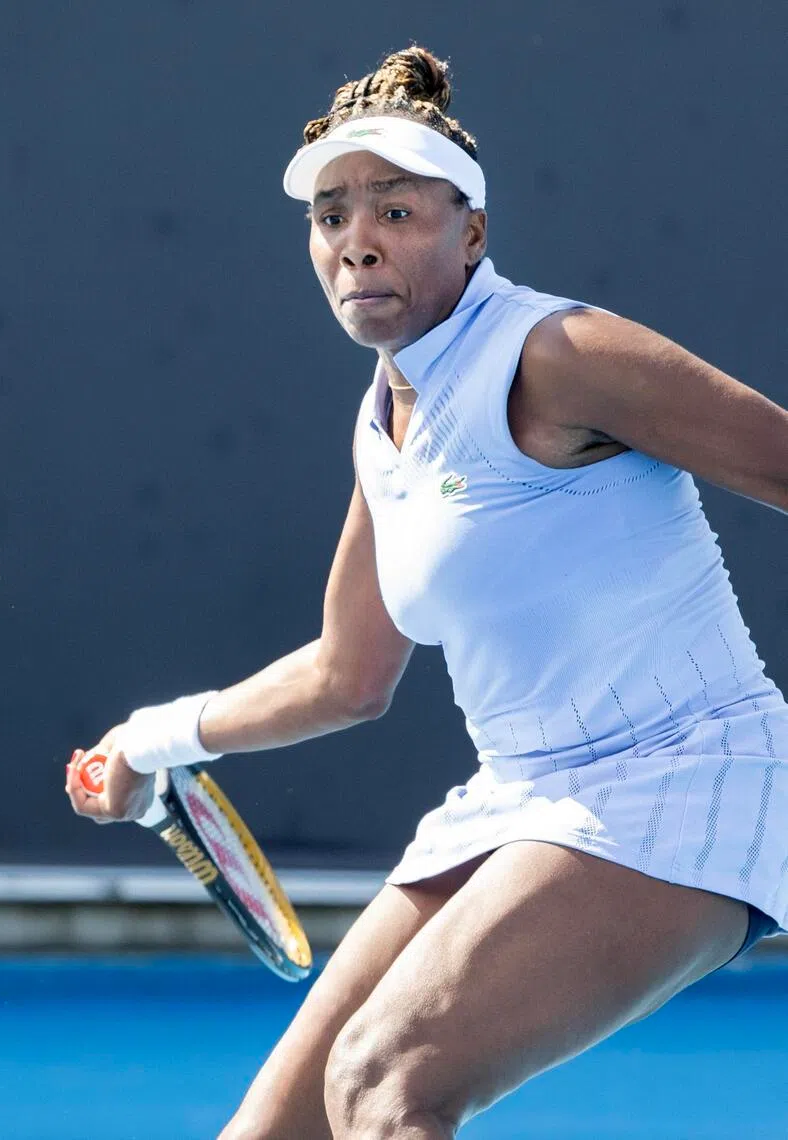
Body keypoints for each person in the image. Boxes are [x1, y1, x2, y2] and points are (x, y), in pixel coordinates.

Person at [64, 44, 788, 1139]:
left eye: (396, 211)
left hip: (691, 773)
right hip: (518, 796)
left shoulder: (560, 353)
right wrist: (153, 738)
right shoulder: (384, 426)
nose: (356, 239)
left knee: (385, 1081)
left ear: (473, 232)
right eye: (332, 216)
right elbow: (344, 677)